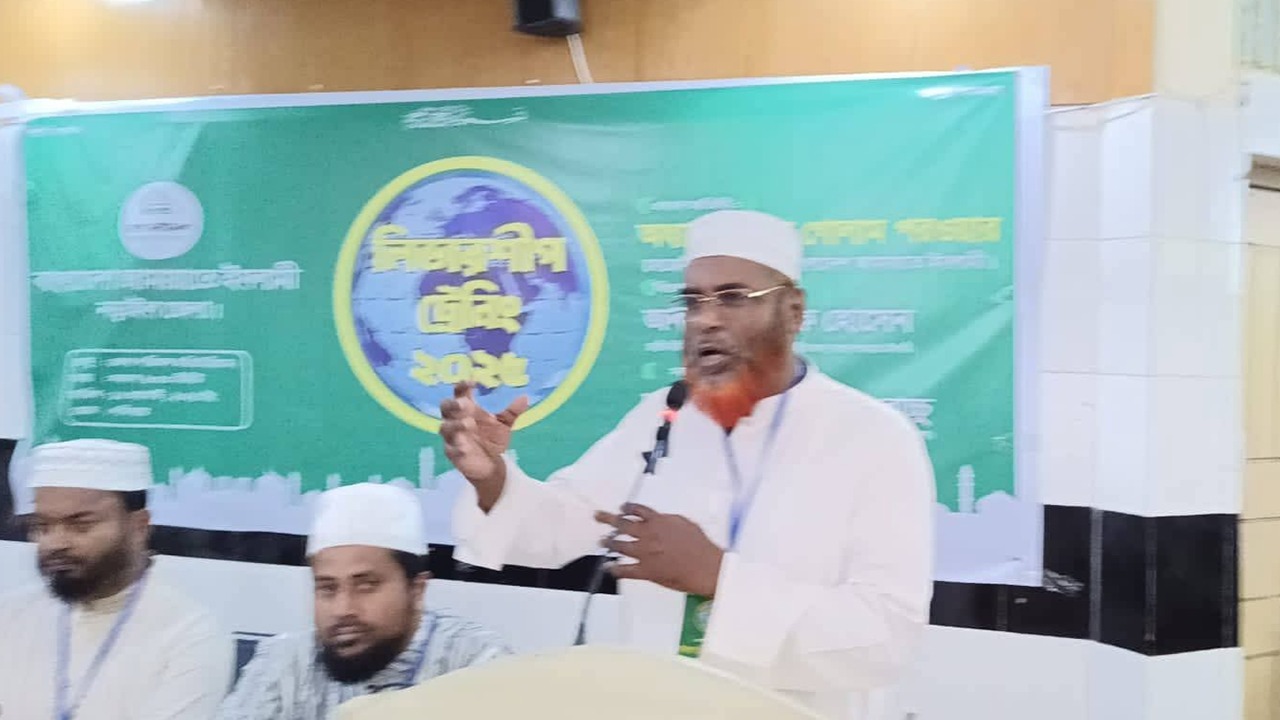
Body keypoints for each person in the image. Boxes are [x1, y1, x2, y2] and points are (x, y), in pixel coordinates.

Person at [443, 209, 935, 719]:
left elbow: (886, 637)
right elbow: (560, 526)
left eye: (732, 297)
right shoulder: (664, 415)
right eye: (693, 302)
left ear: (793, 311)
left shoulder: (873, 438)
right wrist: (490, 477)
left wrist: (719, 577)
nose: (706, 319)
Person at [219, 482, 511, 720]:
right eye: (327, 588)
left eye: (366, 586)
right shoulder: (285, 661)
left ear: (417, 589)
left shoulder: (478, 664)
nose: (343, 609)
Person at [0, 438, 232, 720]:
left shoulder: (189, 633)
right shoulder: (10, 617)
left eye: (81, 526)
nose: (55, 543)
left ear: (139, 526)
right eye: (42, 526)